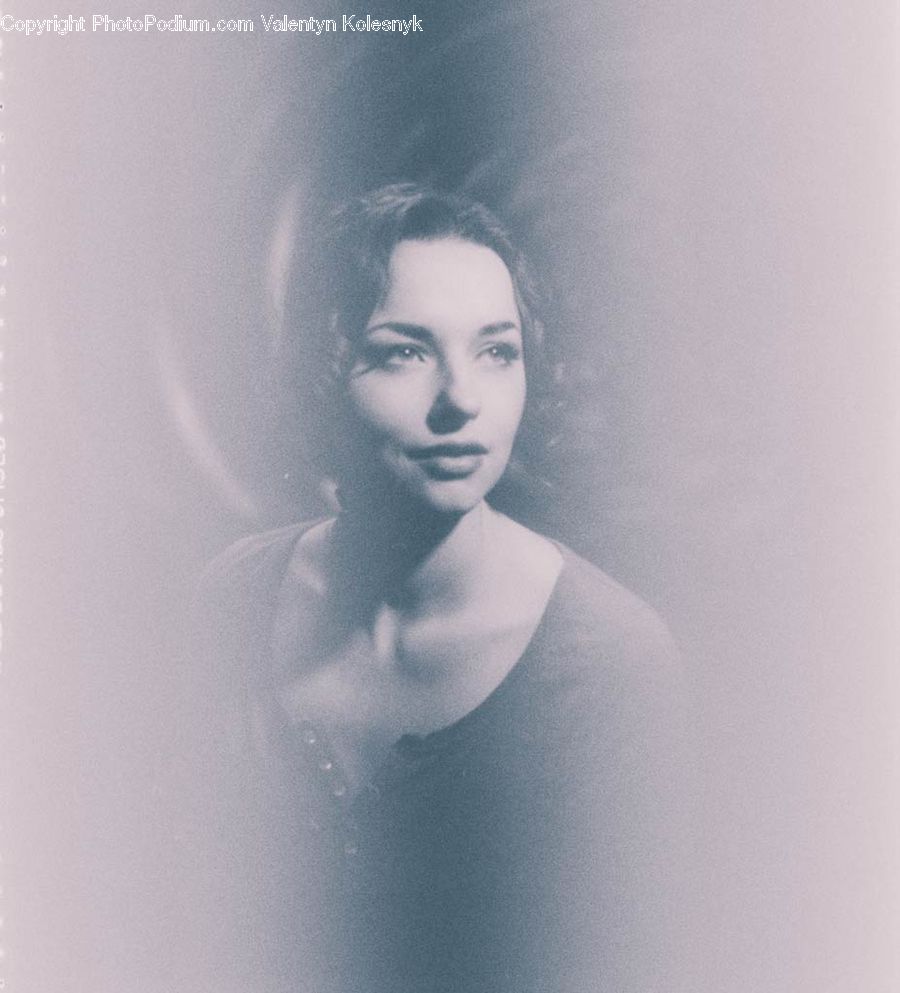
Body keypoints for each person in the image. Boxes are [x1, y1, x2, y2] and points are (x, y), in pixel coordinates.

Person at [186, 184, 691, 993]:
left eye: (497, 351)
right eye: (404, 351)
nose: (462, 400)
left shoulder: (611, 665)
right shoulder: (233, 597)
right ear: (323, 372)